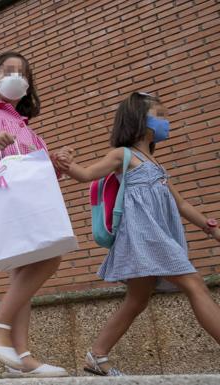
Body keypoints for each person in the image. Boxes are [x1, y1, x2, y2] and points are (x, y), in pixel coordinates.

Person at [62, 92, 220, 376]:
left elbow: (181, 204)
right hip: (144, 236)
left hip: (156, 236)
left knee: (138, 299)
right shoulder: (123, 155)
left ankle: (96, 355)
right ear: (139, 121)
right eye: (160, 116)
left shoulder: (157, 166)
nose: (166, 122)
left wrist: (212, 230)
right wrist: (64, 162)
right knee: (194, 282)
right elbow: (86, 175)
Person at [0, 51, 73, 378]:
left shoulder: (28, 130)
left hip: (28, 200)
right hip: (8, 202)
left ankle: (20, 357)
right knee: (49, 258)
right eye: (8, 71)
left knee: (23, 275)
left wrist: (56, 161)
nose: (16, 77)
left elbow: (38, 172)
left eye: (23, 74)